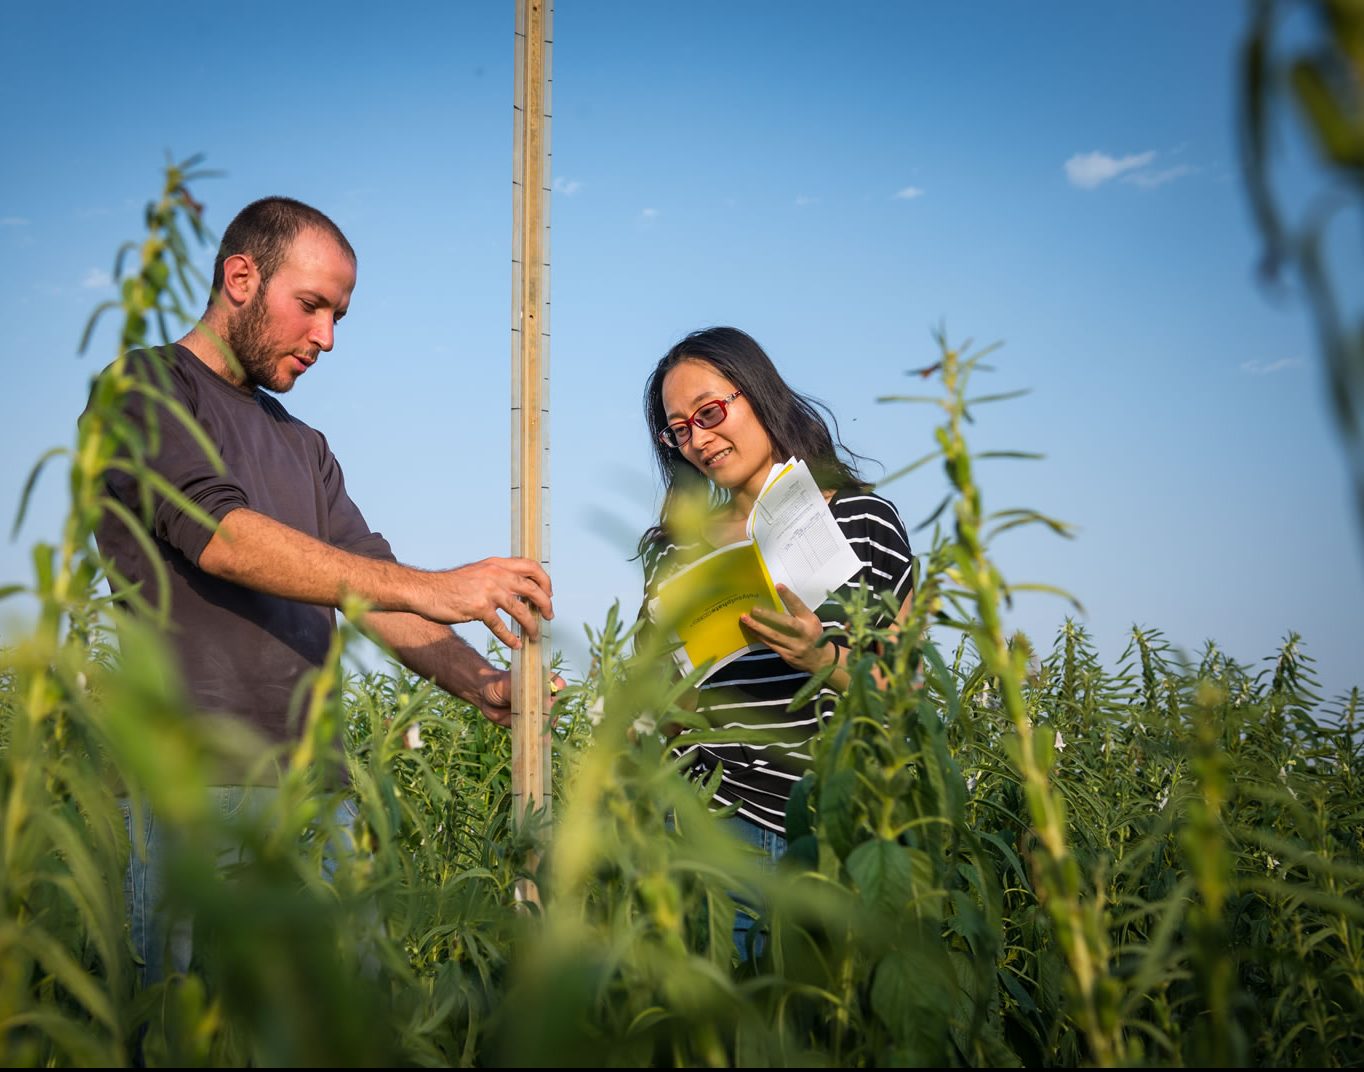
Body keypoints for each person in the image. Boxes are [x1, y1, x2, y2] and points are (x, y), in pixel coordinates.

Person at [89, 196, 558, 984]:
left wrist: (480, 681)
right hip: (190, 794)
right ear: (241, 276)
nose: (326, 338)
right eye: (311, 306)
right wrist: (437, 586)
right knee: (186, 1031)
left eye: (338, 315)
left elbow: (371, 588)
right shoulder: (144, 387)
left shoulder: (303, 446)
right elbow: (221, 535)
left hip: (319, 799)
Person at [637, 326, 914, 874]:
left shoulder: (861, 521)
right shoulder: (679, 552)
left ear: (759, 394)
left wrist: (820, 659)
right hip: (710, 825)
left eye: (709, 412)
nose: (699, 439)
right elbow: (669, 707)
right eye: (679, 431)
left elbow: (902, 690)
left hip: (835, 821)